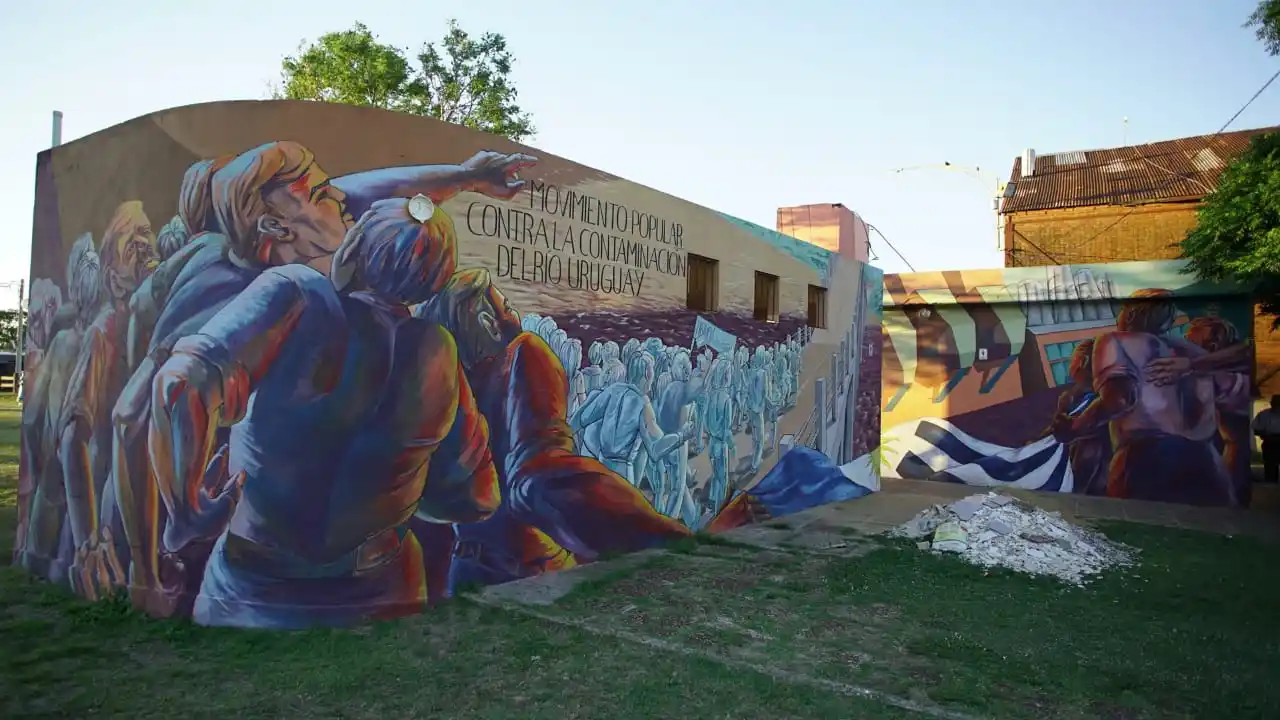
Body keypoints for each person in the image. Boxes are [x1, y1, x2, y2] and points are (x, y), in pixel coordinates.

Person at [111, 142, 536, 615]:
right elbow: (474, 498)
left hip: (259, 582)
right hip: (380, 585)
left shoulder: (294, 287)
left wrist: (183, 512)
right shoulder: (434, 347)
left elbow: (173, 390)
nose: (340, 197)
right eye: (320, 191)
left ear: (354, 250)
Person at [418, 269, 700, 591]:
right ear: (486, 321)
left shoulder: (446, 383)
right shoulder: (523, 355)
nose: (510, 306)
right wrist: (656, 534)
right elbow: (539, 478)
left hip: (465, 568)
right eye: (503, 303)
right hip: (525, 569)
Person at [1059, 289, 1244, 505]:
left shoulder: (1115, 341)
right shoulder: (1196, 355)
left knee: (1134, 531)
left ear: (1129, 314)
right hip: (1207, 463)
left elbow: (1119, 400)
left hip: (1146, 460)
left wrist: (1073, 428)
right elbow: (1233, 406)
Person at [1253, 396, 1280, 484]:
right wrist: (1264, 435)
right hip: (1270, 442)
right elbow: (1256, 428)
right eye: (1275, 403)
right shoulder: (1264, 415)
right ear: (1271, 403)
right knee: (1270, 466)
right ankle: (1270, 485)